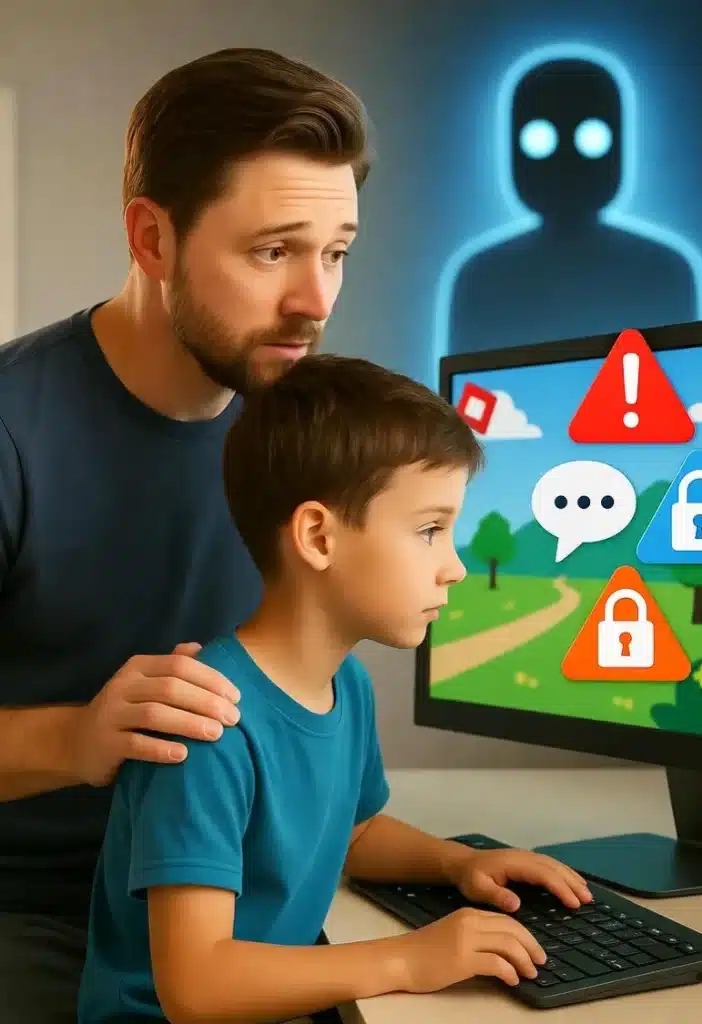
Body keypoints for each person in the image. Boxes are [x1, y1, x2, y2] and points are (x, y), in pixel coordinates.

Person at [0, 47, 369, 1023]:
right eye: (272, 250)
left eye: (336, 251)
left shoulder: (301, 435)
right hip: (36, 916)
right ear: (151, 237)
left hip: (244, 902)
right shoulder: (10, 432)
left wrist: (459, 862)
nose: (317, 300)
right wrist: (77, 736)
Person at [77, 354, 594, 1023]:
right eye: (429, 530)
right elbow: (196, 986)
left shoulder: (344, 683)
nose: (456, 568)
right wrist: (409, 958)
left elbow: (353, 833)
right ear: (318, 536)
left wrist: (457, 863)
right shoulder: (205, 725)